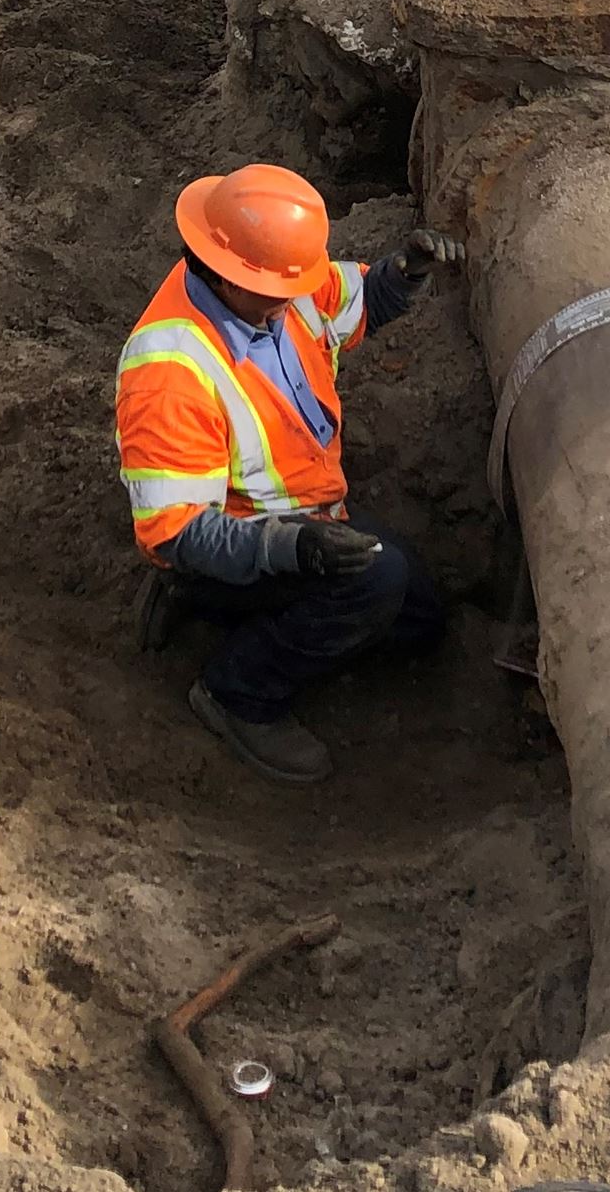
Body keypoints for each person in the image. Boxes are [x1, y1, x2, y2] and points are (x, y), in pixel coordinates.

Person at [114, 162, 464, 783]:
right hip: (227, 551)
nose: (297, 296)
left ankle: (259, 623)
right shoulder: (170, 370)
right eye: (282, 288)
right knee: (377, 583)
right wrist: (289, 547)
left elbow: (347, 302)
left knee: (420, 617)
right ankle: (236, 692)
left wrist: (400, 274)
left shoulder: (272, 289)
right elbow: (176, 533)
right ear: (229, 275)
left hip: (309, 516)